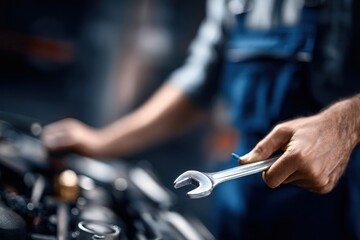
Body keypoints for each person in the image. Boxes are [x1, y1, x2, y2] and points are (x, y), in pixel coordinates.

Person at [42, 0, 360, 239]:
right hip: (240, 201)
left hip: (340, 210)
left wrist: (348, 124)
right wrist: (103, 142)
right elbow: (199, 81)